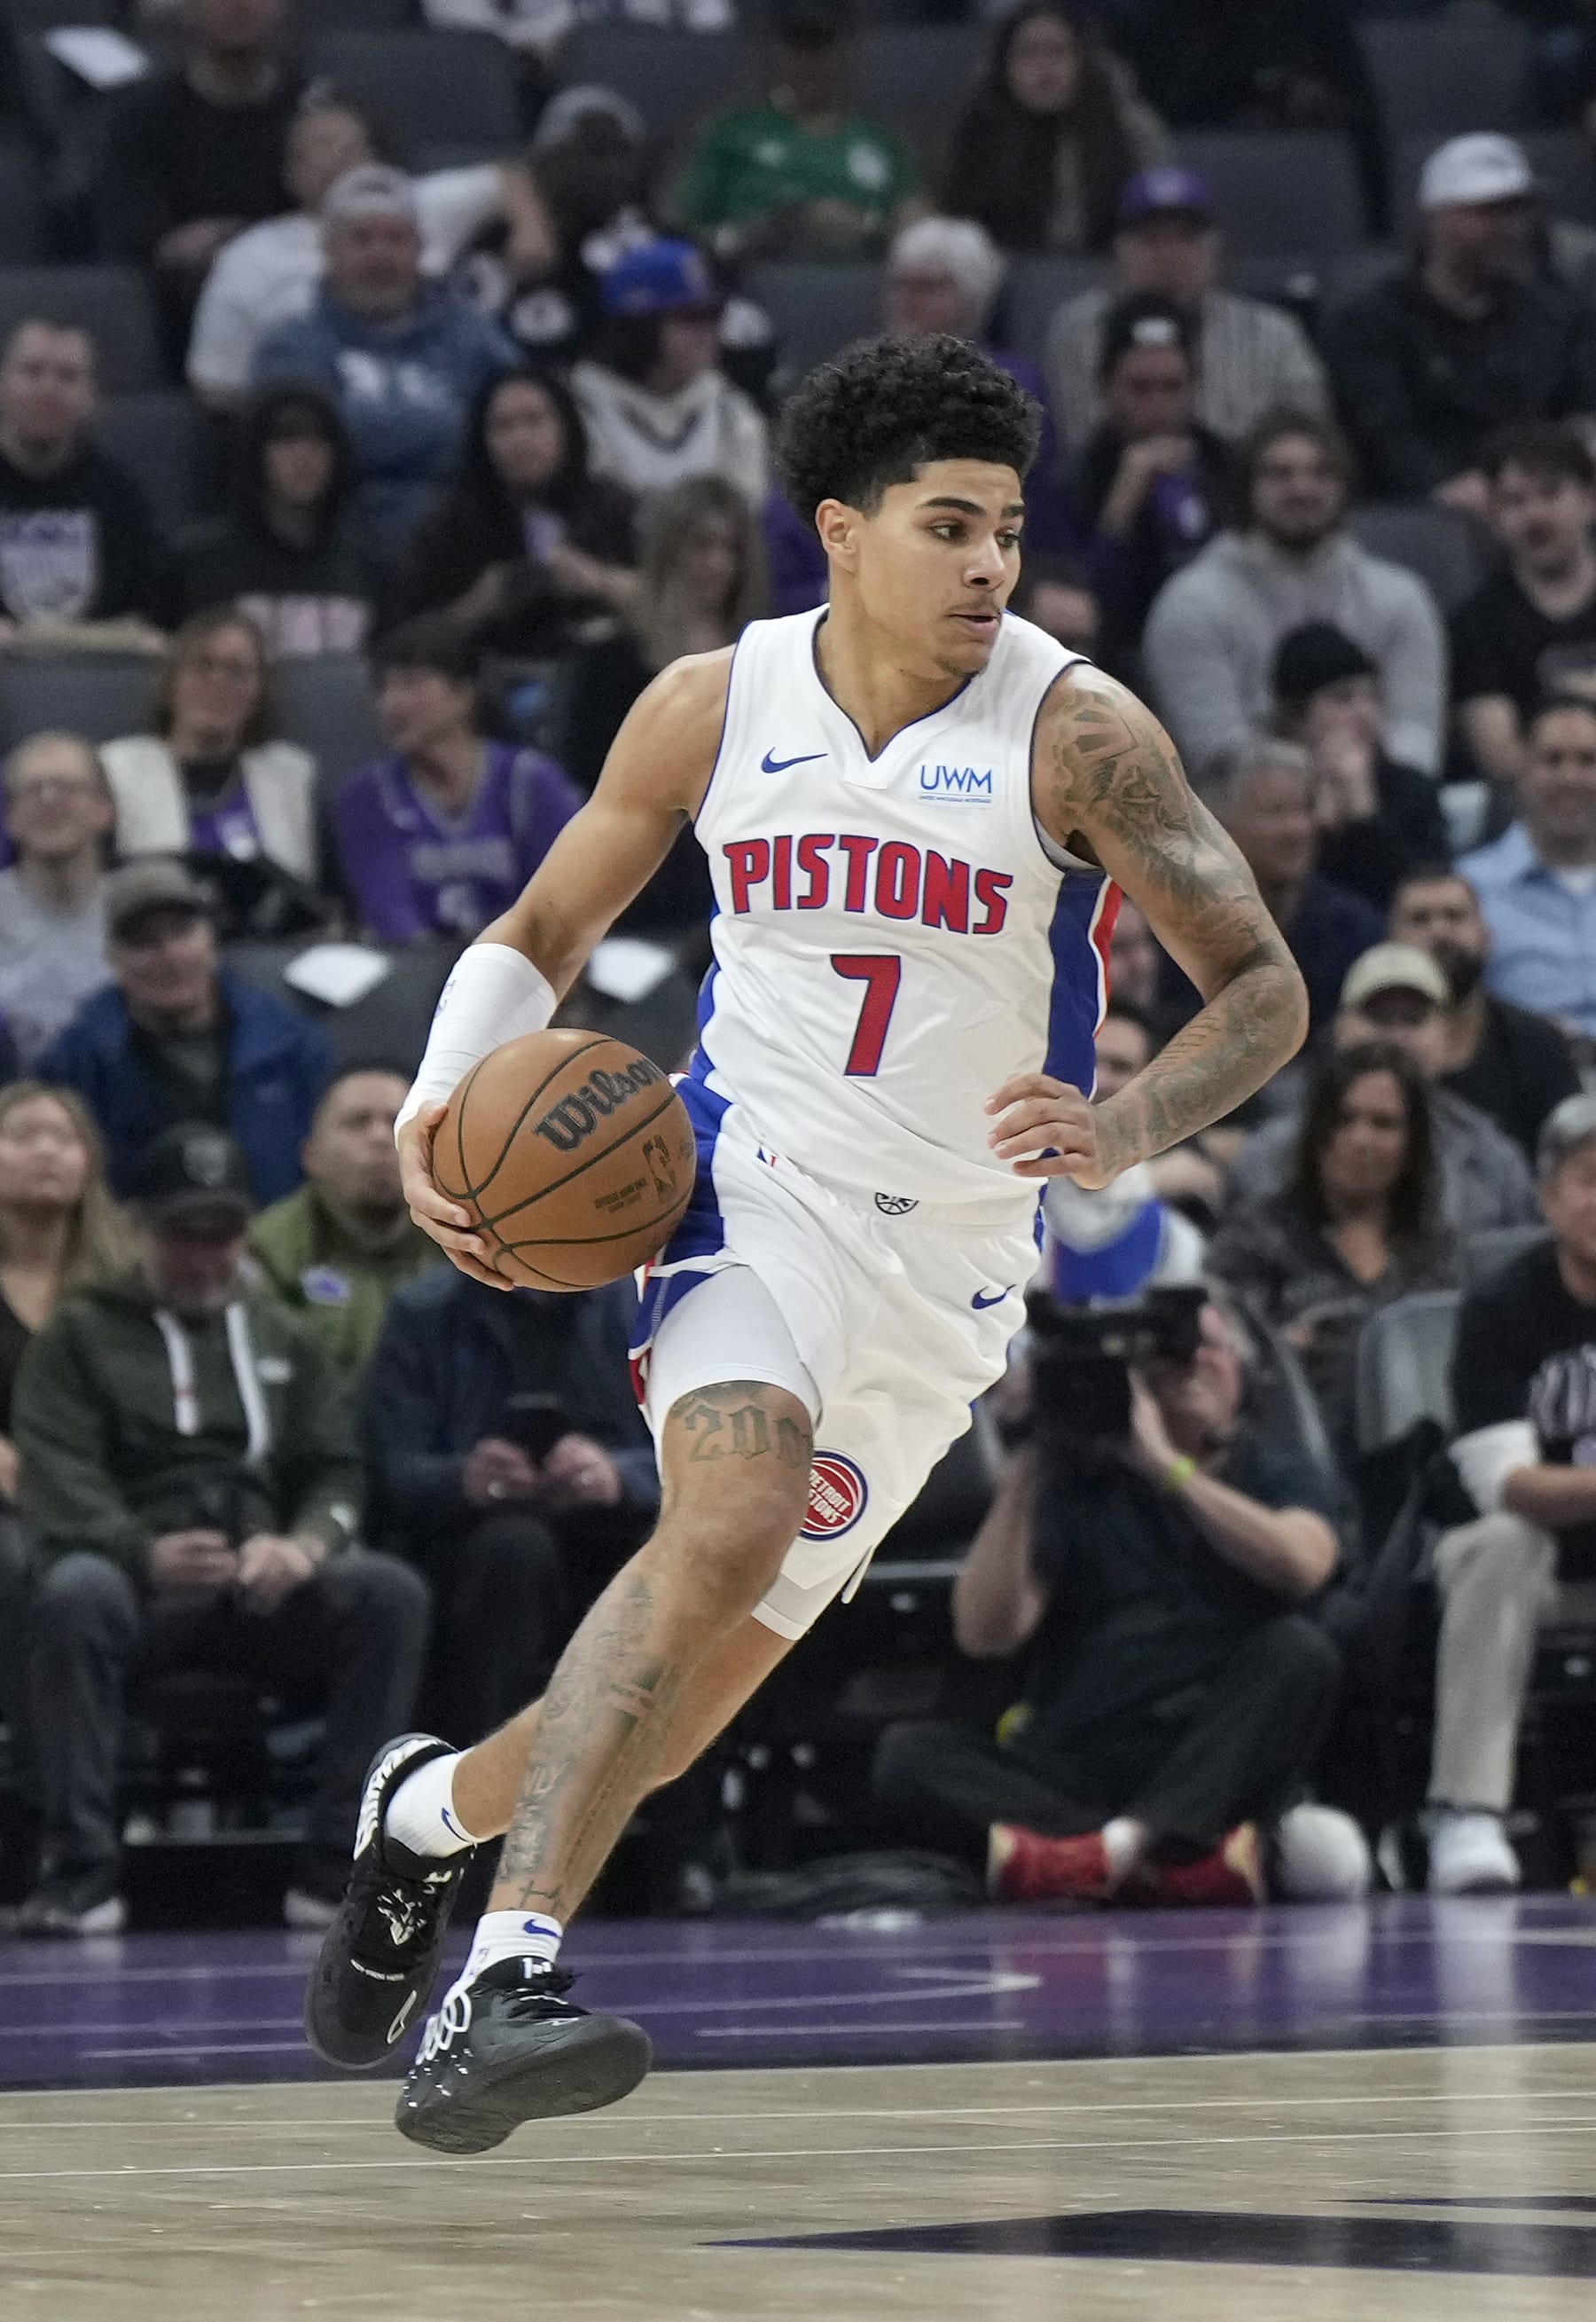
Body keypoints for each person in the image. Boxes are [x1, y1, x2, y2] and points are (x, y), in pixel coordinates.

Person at [300, 328, 1306, 2145]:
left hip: (949, 1283)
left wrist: (1133, 1121)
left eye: (1006, 527)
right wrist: (448, 1104)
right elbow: (537, 924)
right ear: (841, 531)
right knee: (726, 1519)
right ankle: (501, 1981)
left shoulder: (1077, 730)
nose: (990, 566)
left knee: (670, 1715)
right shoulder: (710, 701)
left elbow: (1267, 989)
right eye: (949, 527)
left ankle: (427, 1820)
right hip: (737, 1185)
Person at [11, 1122, 427, 1937]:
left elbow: (334, 1467)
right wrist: (142, 1550)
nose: (204, 1255)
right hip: (138, 1589)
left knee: (387, 1593)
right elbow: (58, 1472)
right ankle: (81, 1873)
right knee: (71, 1593)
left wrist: (305, 1545)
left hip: (261, 1583)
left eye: (222, 1233)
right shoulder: (81, 1333)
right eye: (182, 1233)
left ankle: (339, 1868)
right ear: (138, 1228)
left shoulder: (282, 1332)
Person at [872, 1297, 1365, 1906]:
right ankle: (1164, 1858)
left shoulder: (1273, 1469)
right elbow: (985, 1633)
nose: (1193, 1366)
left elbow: (1304, 1565)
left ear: (1243, 1372)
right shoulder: (1074, 1481)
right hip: (1083, 1751)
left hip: (1211, 1750)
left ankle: (1103, 1856)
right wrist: (1028, 1465)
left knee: (1303, 1653)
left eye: (1211, 1349)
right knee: (907, 1756)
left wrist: (1169, 1469)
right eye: (1170, 1356)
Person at [363, 1268, 660, 1747]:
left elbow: (688, 1451)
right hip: (469, 1542)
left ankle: (675, 1804)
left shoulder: (635, 1306)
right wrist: (463, 1478)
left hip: (611, 1526)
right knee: (514, 1549)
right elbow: (389, 1469)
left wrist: (619, 1475)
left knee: (678, 1554)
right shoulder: (423, 1311)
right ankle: (485, 1788)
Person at [1428, 1092, 1596, 1892]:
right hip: (1537, 1576)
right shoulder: (1503, 1307)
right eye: (1588, 1178)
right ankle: (1468, 1812)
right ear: (1546, 1196)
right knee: (1502, 1543)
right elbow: (1510, 1486)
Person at [188, 92, 553, 407]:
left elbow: (507, 177)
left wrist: (531, 229)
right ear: (291, 173)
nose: (338, 158)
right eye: (320, 148)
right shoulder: (248, 258)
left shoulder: (413, 202)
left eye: (350, 146)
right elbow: (218, 388)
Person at [1143, 413, 1448, 777]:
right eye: (1280, 474)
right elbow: (1216, 752)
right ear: (1246, 488)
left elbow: (1416, 732)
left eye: (1321, 473)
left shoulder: (1401, 597)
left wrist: (1374, 788)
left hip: (1380, 802)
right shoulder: (1191, 605)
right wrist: (1323, 778)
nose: (1302, 488)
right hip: (1247, 819)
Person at [1209, 1040, 1457, 1456]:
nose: (1361, 1139)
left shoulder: (1438, 1250)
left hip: (1420, 1456)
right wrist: (1282, 1352)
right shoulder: (1256, 1237)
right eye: (1344, 1119)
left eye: (1384, 1124)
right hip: (1287, 1451)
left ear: (1413, 1144)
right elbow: (1226, 1351)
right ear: (1316, 1131)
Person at [253, 165, 517, 554]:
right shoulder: (290, 347)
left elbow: (524, 425)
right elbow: (301, 456)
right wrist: (452, 433)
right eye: (362, 239)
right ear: (329, 251)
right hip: (340, 541)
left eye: (396, 239)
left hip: (470, 529)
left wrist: (369, 434)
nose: (381, 255)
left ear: (419, 249)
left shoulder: (474, 335)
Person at [39, 859, 333, 1205]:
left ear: (211, 940)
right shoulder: (75, 1065)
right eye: (145, 941)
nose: (170, 955)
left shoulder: (294, 1048)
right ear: (112, 958)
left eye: (182, 932)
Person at [1326, 136, 1596, 511]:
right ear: (1438, 217)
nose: (1510, 228)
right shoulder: (1372, 323)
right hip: (1429, 511)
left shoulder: (1554, 315)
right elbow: (1383, 433)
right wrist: (1444, 485)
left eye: (1516, 212)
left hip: (1545, 498)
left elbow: (1581, 409)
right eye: (1488, 213)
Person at [1225, 941, 1541, 1241]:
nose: (1395, 1036)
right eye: (1379, 1017)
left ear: (1446, 1035)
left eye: (1413, 1019)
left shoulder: (1492, 1160)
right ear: (1341, 1028)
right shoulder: (1271, 1154)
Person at [0, 1083, 131, 1785]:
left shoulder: (126, 1282)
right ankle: (30, 1789)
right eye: (23, 1135)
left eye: (64, 1138)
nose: (46, 1151)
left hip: (110, 1493)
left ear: (90, 1162)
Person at [332, 620, 581, 947]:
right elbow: (391, 916)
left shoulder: (532, 784)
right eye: (384, 688)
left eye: (411, 684)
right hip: (416, 981)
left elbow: (564, 904)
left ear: (463, 695)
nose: (391, 703)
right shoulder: (367, 797)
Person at [1044, 167, 1328, 451]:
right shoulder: (1079, 328)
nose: (1169, 257)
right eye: (1151, 239)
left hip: (1238, 490)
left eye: (1185, 238)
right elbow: (1080, 446)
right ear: (1119, 250)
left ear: (1215, 249)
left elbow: (1308, 439)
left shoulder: (1274, 334)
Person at [98, 0, 304, 357]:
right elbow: (132, 232)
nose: (240, 6)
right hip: (175, 314)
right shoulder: (140, 117)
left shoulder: (315, 112)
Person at [395, 368, 638, 660]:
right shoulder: (450, 523)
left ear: (566, 428)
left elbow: (679, 604)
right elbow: (399, 643)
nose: (521, 439)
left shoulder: (614, 507)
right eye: (503, 426)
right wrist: (475, 607)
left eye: (535, 421)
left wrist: (598, 581)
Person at [99, 608, 323, 919]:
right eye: (202, 666)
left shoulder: (293, 775)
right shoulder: (116, 770)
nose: (218, 682)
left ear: (260, 691)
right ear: (170, 682)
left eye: (238, 671)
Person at [674, 0, 921, 264]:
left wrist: (867, 230)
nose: (808, 63)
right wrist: (759, 232)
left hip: (861, 281)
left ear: (843, 54)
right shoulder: (734, 132)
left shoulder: (879, 140)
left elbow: (919, 229)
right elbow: (679, 227)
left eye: (820, 49)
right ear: (777, 54)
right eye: (796, 50)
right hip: (754, 279)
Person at [246, 1068, 440, 1386]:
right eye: (357, 1122)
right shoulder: (267, 1252)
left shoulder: (465, 1243)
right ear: (311, 1155)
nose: (380, 1138)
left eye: (398, 1121)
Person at [1176, 739, 1382, 1034]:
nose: (1296, 829)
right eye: (1275, 813)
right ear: (1217, 827)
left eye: (1302, 810)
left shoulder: (1353, 928)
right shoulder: (1172, 928)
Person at [1066, 294, 1231, 655]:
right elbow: (1082, 606)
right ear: (1106, 388)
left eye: (1172, 387)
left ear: (1194, 386)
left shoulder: (1229, 465)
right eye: (1139, 388)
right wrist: (1123, 500)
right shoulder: (1073, 477)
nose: (1157, 405)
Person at [162, 385, 379, 658]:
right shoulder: (199, 561)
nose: (304, 456)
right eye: (286, 440)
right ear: (256, 453)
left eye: (320, 441)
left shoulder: (366, 565)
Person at [943, 1, 1170, 256]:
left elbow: (1157, 221)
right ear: (1005, 64)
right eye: (1028, 53)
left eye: (1057, 52)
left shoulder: (1131, 130)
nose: (1044, 68)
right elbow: (957, 231)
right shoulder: (977, 131)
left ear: (1084, 60)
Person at [1389, 866, 1578, 1164]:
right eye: (1419, 919)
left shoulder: (1539, 1047)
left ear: (1486, 935)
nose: (1439, 932)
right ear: (1390, 940)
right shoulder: (1359, 1047)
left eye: (1454, 915)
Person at [1450, 424, 1596, 800]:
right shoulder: (1475, 624)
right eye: (1515, 501)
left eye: (1550, 494)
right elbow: (1501, 758)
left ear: (1589, 499)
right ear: (1494, 515)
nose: (1535, 516)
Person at [571, 240, 770, 509]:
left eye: (714, 315)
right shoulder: (580, 408)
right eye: (689, 318)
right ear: (638, 329)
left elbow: (746, 525)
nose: (707, 333)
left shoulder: (731, 413)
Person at [0, 322, 160, 642]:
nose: (49, 389)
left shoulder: (122, 498)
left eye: (68, 376)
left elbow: (143, 623)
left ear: (92, 397)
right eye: (32, 371)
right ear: (2, 383)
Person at [1270, 623, 1447, 911]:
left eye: (1373, 696)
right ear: (1296, 717)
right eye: (1342, 699)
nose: (1365, 713)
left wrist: (1363, 813)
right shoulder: (1269, 790)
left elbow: (1415, 894)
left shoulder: (1409, 787)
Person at [1459, 694, 1596, 1039]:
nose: (1570, 778)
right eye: (1553, 760)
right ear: (1522, 768)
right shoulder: (1468, 886)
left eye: (1587, 761)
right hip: (1524, 1081)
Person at [0, 734, 113, 1069]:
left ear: (105, 810)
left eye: (67, 787)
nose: (48, 800)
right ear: (10, 818)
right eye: (32, 790)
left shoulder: (141, 910)